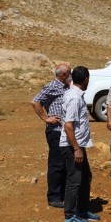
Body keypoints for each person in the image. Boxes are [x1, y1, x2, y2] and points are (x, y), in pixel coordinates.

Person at [59, 66, 100, 222]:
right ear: (86, 79)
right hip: (71, 146)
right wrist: (76, 148)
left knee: (85, 177)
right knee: (74, 180)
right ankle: (69, 216)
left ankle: (82, 210)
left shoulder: (75, 94)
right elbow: (68, 126)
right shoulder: (75, 98)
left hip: (77, 145)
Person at [31, 63, 71, 208]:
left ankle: (62, 194)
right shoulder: (52, 85)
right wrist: (45, 117)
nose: (70, 75)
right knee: (56, 164)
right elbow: (35, 101)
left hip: (64, 130)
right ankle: (53, 197)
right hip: (55, 131)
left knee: (65, 163)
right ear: (63, 75)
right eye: (69, 73)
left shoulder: (66, 86)